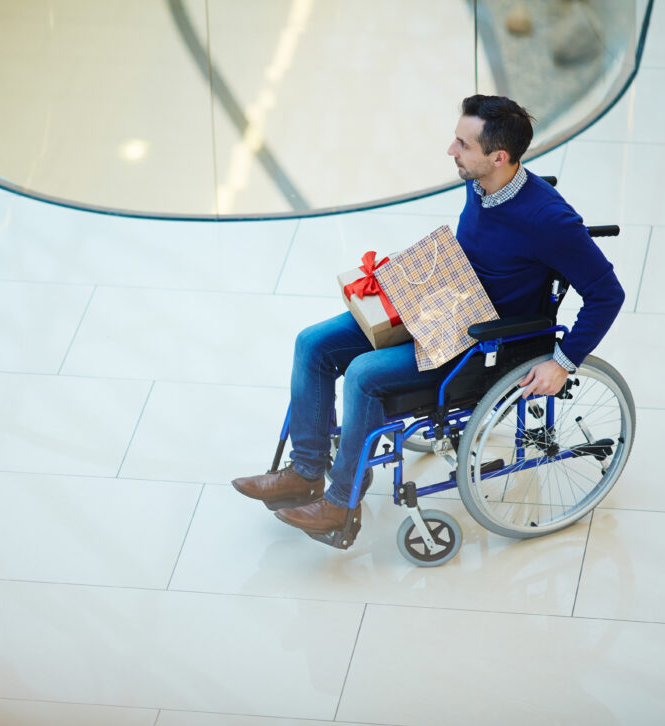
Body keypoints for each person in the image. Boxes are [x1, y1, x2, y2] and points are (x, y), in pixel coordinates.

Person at [232, 95, 625, 541]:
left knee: (363, 374)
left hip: (486, 341)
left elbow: (607, 294)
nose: (451, 151)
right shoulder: (481, 183)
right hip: (444, 305)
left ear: (498, 157)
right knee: (312, 344)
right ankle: (305, 471)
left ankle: (341, 503)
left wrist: (563, 361)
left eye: (462, 144)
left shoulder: (549, 222)